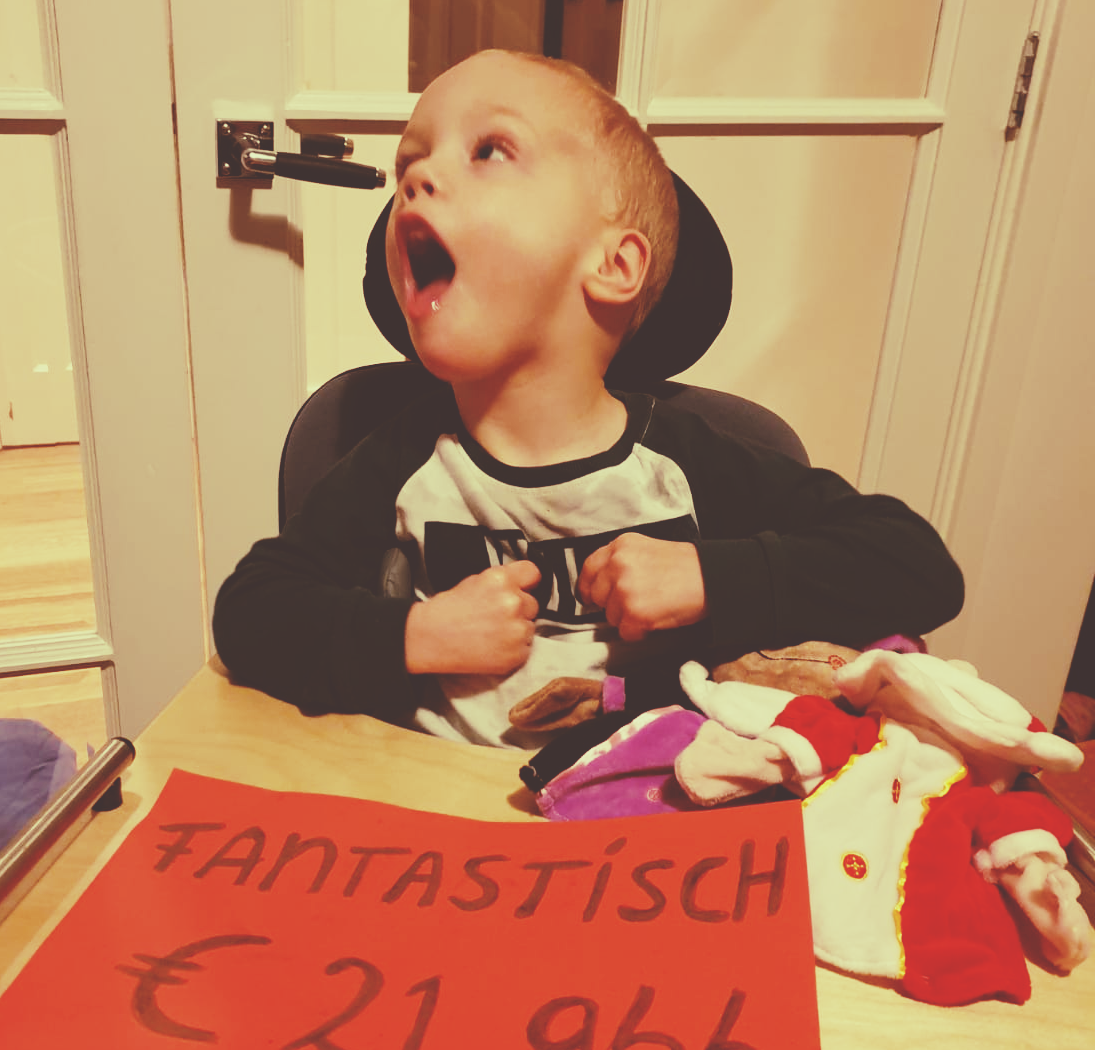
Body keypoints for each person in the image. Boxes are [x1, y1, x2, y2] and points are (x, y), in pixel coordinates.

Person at [213, 50, 963, 748]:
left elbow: (918, 565)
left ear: (614, 265)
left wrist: (711, 578)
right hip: (439, 814)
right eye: (410, 162)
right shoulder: (401, 460)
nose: (416, 178)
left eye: (489, 151)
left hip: (651, 811)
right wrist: (414, 636)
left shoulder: (687, 464)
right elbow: (249, 612)